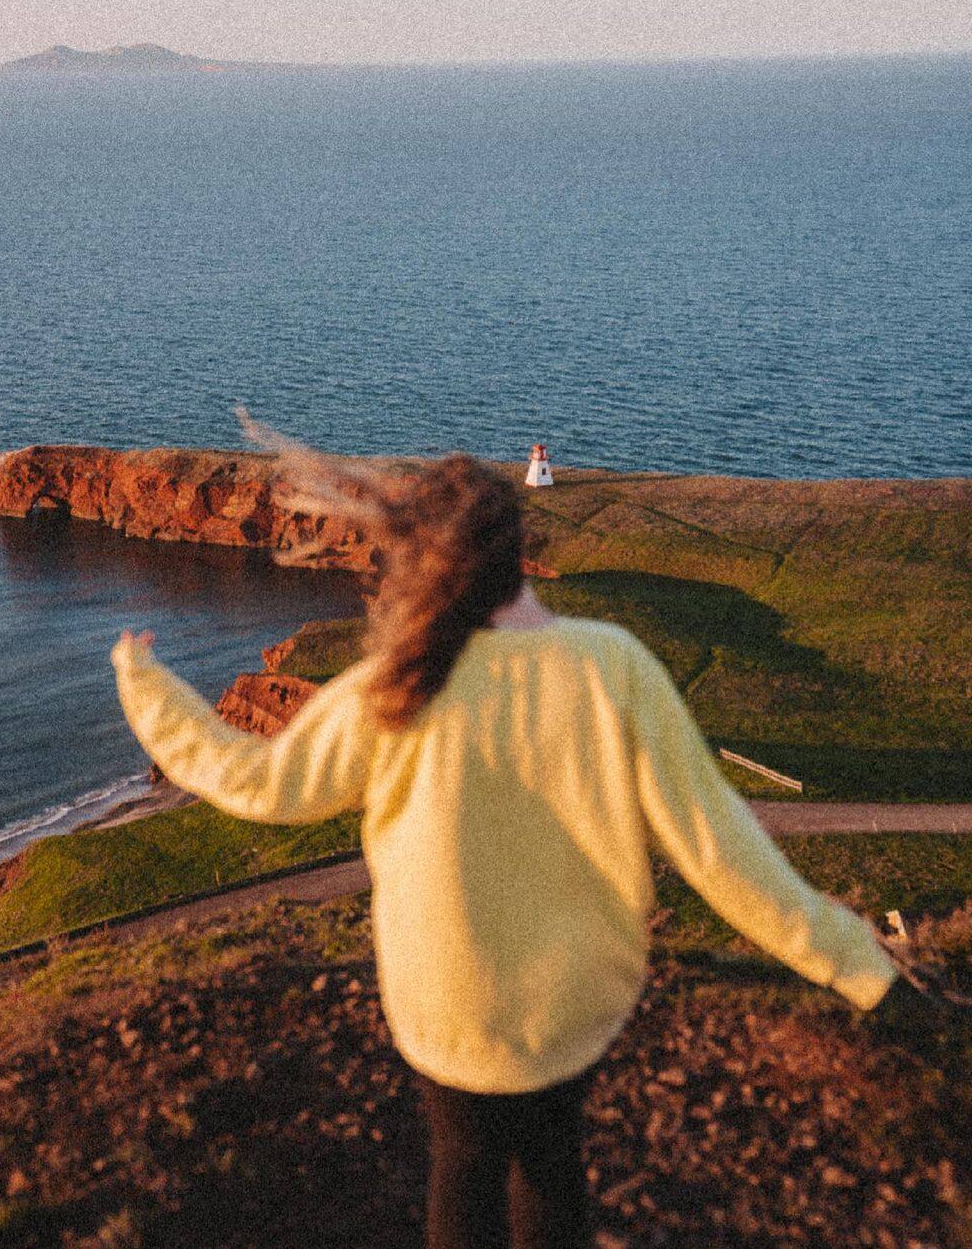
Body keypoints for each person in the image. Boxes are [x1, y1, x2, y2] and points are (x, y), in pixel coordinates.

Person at [110, 437, 930, 1249]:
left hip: (445, 1001)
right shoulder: (612, 667)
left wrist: (150, 694)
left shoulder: (394, 684)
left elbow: (257, 783)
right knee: (551, 1164)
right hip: (573, 997)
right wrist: (862, 969)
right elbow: (723, 854)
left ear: (416, 561)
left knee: (462, 1167)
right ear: (519, 553)